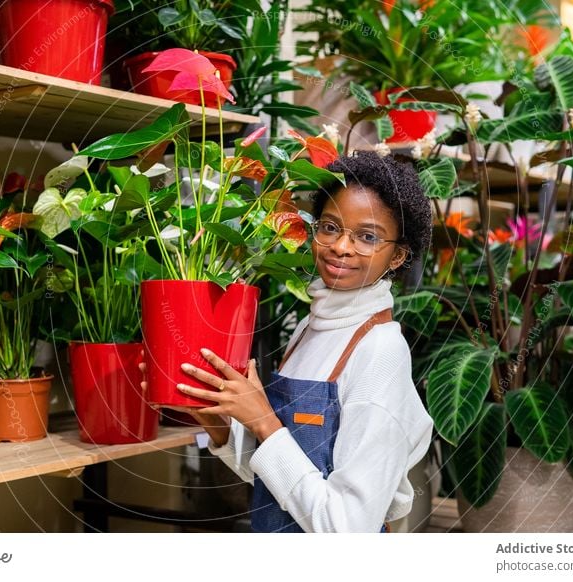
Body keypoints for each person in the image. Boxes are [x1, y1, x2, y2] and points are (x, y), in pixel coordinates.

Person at [143, 151, 434, 533]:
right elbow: (277, 480)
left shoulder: (380, 352)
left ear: (397, 256)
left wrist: (264, 420)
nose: (341, 247)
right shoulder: (309, 331)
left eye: (367, 237)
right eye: (330, 227)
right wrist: (220, 427)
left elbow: (347, 527)